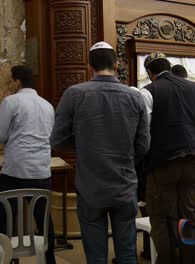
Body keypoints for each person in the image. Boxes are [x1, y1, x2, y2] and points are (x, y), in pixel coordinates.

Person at [51, 41, 150, 264]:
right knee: (127, 253)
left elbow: (57, 140)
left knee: (95, 256)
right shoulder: (135, 97)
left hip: (90, 186)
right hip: (124, 184)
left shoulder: (74, 94)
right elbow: (143, 145)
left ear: (90, 65)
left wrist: (84, 145)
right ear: (116, 65)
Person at [142, 53, 195, 264]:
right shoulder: (194, 88)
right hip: (193, 162)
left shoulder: (149, 91)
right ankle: (190, 259)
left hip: (163, 164)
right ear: (168, 66)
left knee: (161, 218)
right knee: (188, 215)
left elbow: (144, 133)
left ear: (150, 73)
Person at [0, 65, 56, 264]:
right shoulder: (47, 105)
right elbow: (50, 137)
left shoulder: (11, 102)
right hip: (41, 171)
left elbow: (1, 135)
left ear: (17, 81)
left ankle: (7, 259)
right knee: (44, 220)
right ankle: (50, 260)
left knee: (6, 218)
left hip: (15, 170)